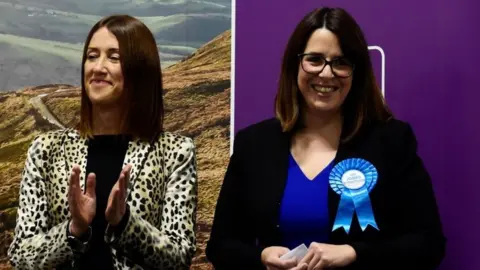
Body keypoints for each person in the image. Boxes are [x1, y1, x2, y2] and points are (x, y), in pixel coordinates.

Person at [206, 7, 446, 270]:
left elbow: (429, 245)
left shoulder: (391, 142)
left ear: (356, 72)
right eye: (315, 59)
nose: (327, 73)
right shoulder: (253, 144)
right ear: (295, 64)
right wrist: (261, 257)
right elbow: (221, 247)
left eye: (341, 62)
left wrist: (354, 253)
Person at [7, 15, 198, 269]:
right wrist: (74, 229)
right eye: (92, 55)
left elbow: (179, 257)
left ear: (140, 70)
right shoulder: (45, 150)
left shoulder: (175, 153)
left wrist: (125, 222)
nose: (97, 67)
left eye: (114, 57)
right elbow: (21, 256)